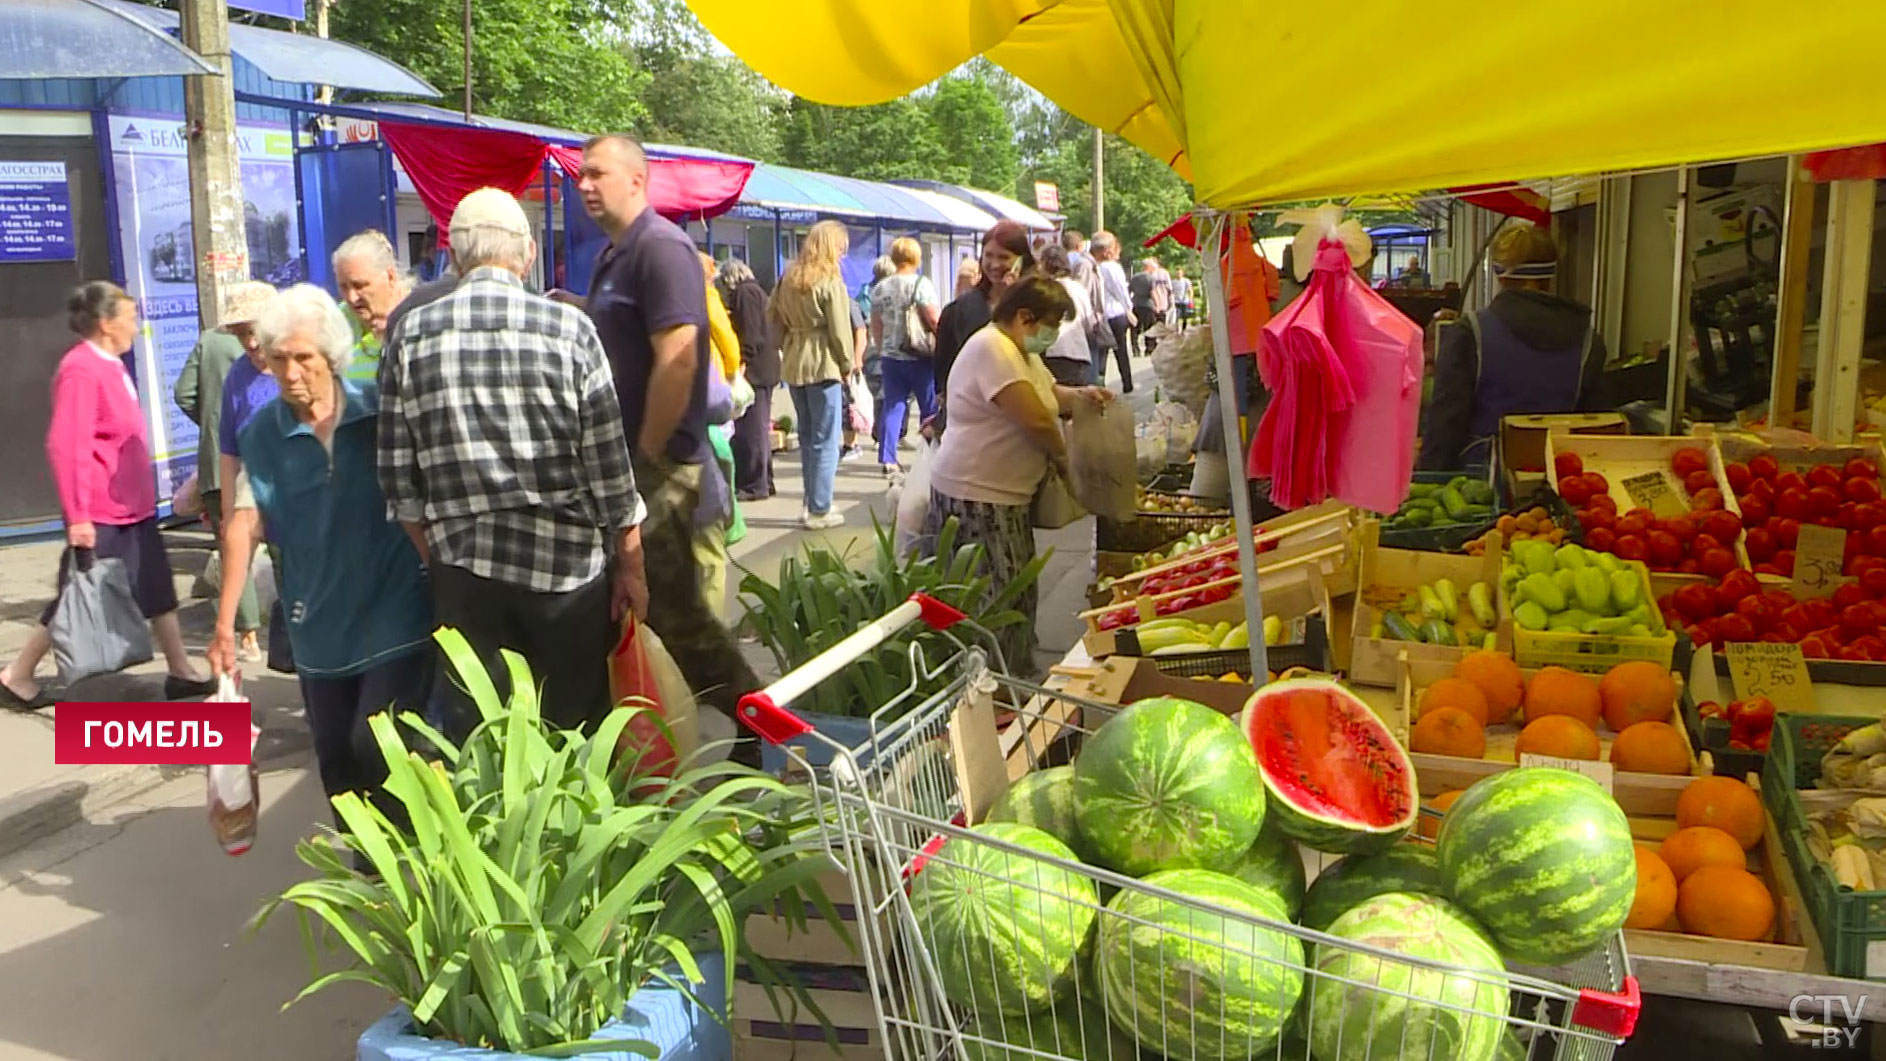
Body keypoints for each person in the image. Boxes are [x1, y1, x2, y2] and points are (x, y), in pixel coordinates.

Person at [378, 187, 648, 734]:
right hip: (568, 575)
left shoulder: (410, 333)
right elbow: (611, 473)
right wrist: (631, 567)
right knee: (574, 733)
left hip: (465, 576)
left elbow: (397, 479)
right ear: (527, 256)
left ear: (453, 259)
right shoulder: (570, 330)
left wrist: (440, 558)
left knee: (483, 738)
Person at [207, 285, 433, 828]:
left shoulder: (380, 416)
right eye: (279, 359)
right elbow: (245, 520)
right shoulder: (264, 433)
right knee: (336, 756)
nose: (289, 374)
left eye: (303, 358)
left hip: (394, 607)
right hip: (317, 618)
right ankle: (366, 868)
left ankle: (413, 863)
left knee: (376, 740)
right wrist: (223, 624)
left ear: (331, 357)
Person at [573, 135, 761, 757]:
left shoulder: (661, 248)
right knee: (651, 614)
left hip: (660, 468)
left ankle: (761, 729)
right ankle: (667, 743)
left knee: (680, 618)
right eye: (581, 175)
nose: (584, 185)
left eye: (597, 173)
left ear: (637, 179)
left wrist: (645, 457)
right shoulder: (614, 256)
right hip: (629, 467)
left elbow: (679, 357)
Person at [0, 283, 215, 708]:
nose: (136, 325)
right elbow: (67, 445)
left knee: (156, 585)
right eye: (130, 317)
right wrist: (77, 515)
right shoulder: (81, 368)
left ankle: (180, 671)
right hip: (101, 511)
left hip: (132, 507)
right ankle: (16, 675)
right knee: (76, 594)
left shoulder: (111, 363)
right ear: (105, 322)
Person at [921, 275, 1112, 671]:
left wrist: (1081, 396)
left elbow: (1047, 391)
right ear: (1025, 317)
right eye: (1052, 324)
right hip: (976, 496)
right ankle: (993, 687)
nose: (1054, 334)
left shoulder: (1018, 350)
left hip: (1006, 497)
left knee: (1016, 590)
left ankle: (1013, 675)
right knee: (995, 597)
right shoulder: (992, 347)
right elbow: (1036, 420)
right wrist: (1067, 464)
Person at [1418, 223, 1611, 470]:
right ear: (1550, 276)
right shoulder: (1588, 342)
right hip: (1558, 480)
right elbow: (1598, 427)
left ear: (1501, 274)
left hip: (1479, 487)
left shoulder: (1470, 334)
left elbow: (1446, 423)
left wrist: (1429, 477)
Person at [173, 279, 273, 664]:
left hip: (275, 491)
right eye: (240, 333)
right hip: (240, 479)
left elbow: (184, 394)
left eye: (253, 332)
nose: (249, 343)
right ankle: (243, 633)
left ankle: (252, 634)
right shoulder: (239, 375)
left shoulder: (296, 363)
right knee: (237, 546)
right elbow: (231, 450)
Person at [767, 220, 856, 528]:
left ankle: (810, 502)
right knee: (826, 439)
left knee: (807, 437)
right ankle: (820, 508)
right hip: (824, 363)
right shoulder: (830, 280)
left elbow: (772, 319)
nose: (843, 253)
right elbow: (840, 330)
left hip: (794, 360)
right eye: (842, 247)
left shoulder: (787, 277)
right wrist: (847, 365)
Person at [935, 221, 1034, 407]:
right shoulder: (960, 309)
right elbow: (944, 366)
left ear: (1021, 261)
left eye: (1004, 257)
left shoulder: (1035, 305)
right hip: (973, 408)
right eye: (988, 255)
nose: (995, 264)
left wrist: (1013, 296)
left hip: (1021, 404)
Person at [868, 237, 939, 472]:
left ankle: (888, 458)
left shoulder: (880, 288)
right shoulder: (921, 284)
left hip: (890, 356)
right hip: (920, 355)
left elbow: (876, 325)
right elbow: (932, 319)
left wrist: (882, 349)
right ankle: (928, 453)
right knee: (928, 406)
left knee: (893, 405)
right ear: (916, 257)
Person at [697, 250, 741, 598]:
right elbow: (726, 339)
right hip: (692, 445)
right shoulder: (703, 297)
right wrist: (731, 369)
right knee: (708, 562)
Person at [720, 258, 776, 501]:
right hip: (765, 367)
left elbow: (751, 334)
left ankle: (754, 485)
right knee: (759, 427)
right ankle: (764, 480)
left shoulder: (745, 294)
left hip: (755, 369)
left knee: (751, 429)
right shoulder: (756, 291)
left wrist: (741, 362)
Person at [330, 230, 417, 385]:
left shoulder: (418, 316)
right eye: (343, 287)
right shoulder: (338, 320)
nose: (351, 297)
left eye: (360, 285)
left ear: (390, 276)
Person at [1037, 245, 1101, 386]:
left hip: (1053, 353)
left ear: (1045, 264)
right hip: (1079, 352)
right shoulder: (1079, 288)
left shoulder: (1044, 289)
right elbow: (1088, 323)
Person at [1091, 232, 1134, 391]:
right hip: (1116, 312)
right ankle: (1127, 383)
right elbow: (1121, 289)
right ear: (1108, 250)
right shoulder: (1112, 267)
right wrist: (1129, 308)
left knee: (1101, 352)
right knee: (1121, 350)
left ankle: (1099, 383)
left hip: (1101, 314)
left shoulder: (1093, 266)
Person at [1127, 258, 1159, 357]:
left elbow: (1128, 291)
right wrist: (1157, 305)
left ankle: (1135, 349)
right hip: (1148, 305)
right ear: (1148, 267)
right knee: (1149, 328)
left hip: (1136, 304)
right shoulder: (1150, 278)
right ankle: (1149, 349)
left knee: (1135, 328)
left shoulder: (1135, 277)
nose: (1154, 269)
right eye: (1153, 267)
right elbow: (1152, 292)